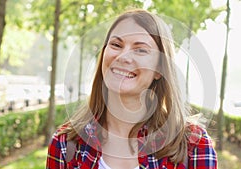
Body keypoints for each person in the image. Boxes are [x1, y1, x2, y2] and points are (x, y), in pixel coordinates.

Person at [46, 9, 217, 169]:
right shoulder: (65, 144)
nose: (123, 57)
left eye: (140, 50)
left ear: (159, 70)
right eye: (116, 45)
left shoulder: (194, 145)